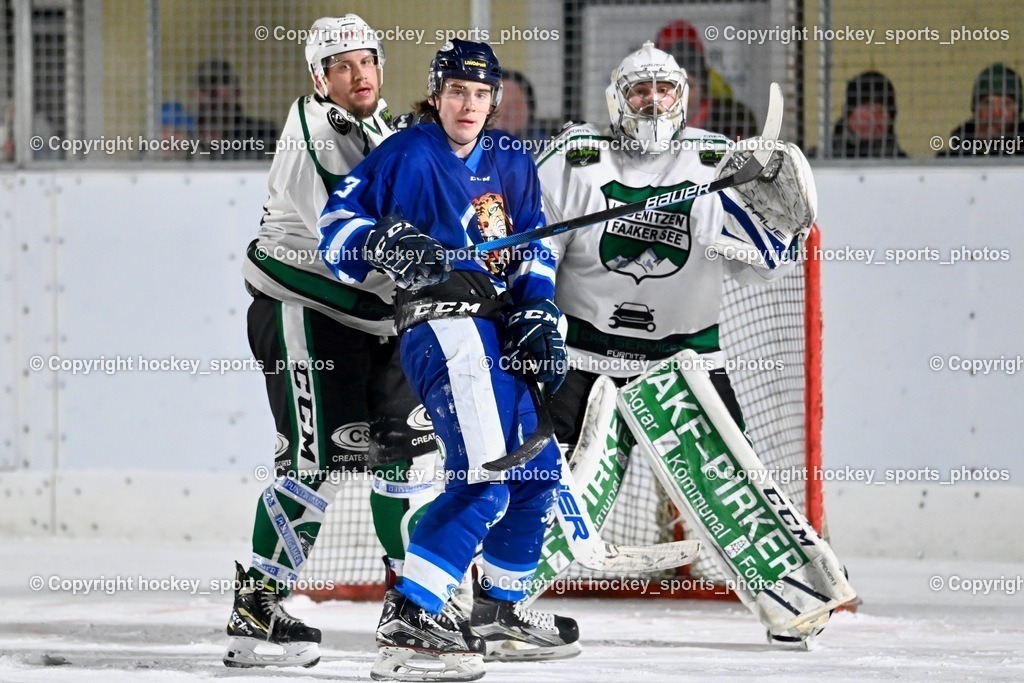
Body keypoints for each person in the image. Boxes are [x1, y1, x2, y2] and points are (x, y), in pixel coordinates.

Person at [318, 39, 580, 681]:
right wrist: (382, 240)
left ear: (493, 101)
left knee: (538, 466)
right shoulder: (405, 154)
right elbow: (334, 232)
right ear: (436, 95)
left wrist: (537, 311)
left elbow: (536, 247)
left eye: (480, 94)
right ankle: (412, 614)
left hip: (498, 328)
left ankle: (498, 609)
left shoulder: (513, 158)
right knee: (489, 471)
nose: (468, 104)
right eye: (456, 92)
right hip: (444, 327)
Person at [536, 42, 816, 641]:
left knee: (732, 488)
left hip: (684, 361)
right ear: (617, 100)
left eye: (665, 90)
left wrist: (777, 225)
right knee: (549, 482)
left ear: (683, 98)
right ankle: (500, 599)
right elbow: (538, 250)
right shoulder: (576, 157)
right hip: (587, 359)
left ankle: (793, 601)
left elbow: (765, 265)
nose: (653, 102)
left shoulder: (717, 162)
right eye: (640, 90)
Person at [224, 15, 438, 669]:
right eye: (341, 66)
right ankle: (256, 610)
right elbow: (353, 237)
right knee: (314, 466)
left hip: (373, 320)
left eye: (366, 62)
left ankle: (410, 609)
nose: (358, 75)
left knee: (404, 457)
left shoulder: (376, 124)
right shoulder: (321, 129)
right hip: (307, 313)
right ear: (320, 78)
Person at [655, 19, 758, 141]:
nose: (682, 94)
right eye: (673, 87)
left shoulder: (732, 119)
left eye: (689, 85)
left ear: (701, 87)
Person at [193, 59, 278, 160]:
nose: (214, 93)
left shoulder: (263, 133)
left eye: (222, 85)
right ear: (197, 94)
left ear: (237, 91)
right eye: (206, 87)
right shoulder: (187, 133)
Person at [813, 71, 907, 159]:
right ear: (849, 113)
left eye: (880, 112)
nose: (873, 119)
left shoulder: (903, 166)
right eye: (866, 109)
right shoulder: (816, 160)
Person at [938, 63, 1023, 158]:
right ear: (976, 110)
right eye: (988, 104)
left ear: (1017, 112)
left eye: (1006, 105)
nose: (996, 113)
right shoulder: (949, 161)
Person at [498, 70, 545, 141]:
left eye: (514, 105)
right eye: (499, 103)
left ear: (530, 109)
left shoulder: (543, 145)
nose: (506, 111)